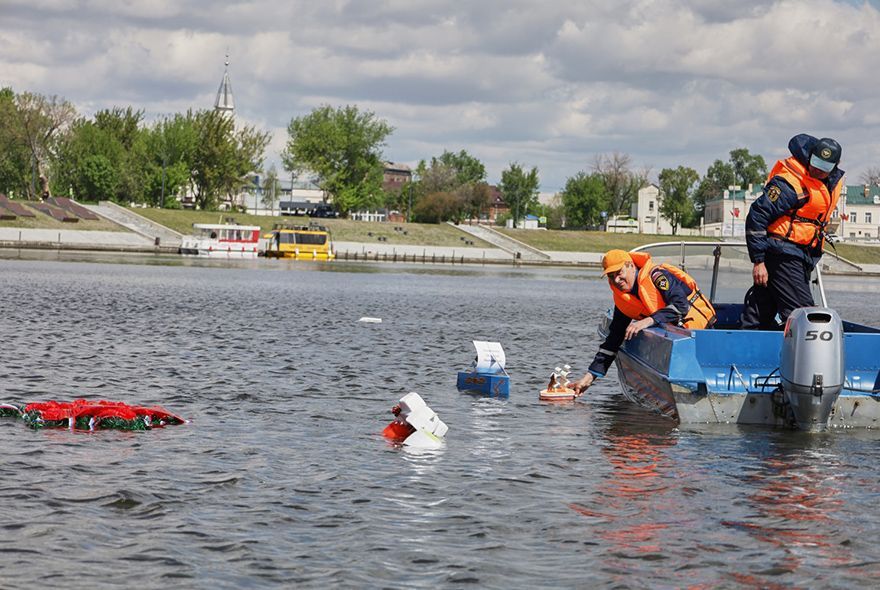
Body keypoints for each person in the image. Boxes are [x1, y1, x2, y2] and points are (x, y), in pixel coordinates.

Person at [572, 249, 716, 395]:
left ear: (630, 265)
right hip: (675, 341)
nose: (616, 280)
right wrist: (589, 378)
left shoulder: (658, 276)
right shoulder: (624, 299)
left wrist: (646, 321)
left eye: (619, 273)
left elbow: (681, 305)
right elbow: (614, 338)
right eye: (611, 276)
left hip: (702, 336)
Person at [741, 134, 844, 330]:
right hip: (782, 254)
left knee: (761, 312)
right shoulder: (789, 185)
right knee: (807, 317)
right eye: (815, 164)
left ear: (835, 167)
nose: (817, 170)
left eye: (824, 168)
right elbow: (756, 216)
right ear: (810, 156)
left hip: (800, 255)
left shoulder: (829, 183)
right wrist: (759, 261)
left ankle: (745, 341)